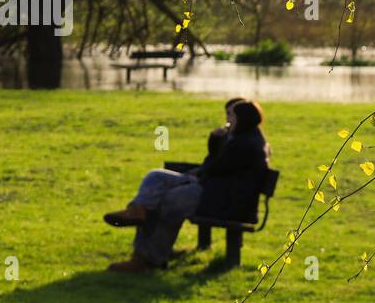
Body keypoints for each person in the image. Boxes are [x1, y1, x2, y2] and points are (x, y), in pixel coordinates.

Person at [104, 100, 271, 272]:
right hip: (214, 190)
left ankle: (147, 260)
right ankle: (138, 212)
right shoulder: (242, 137)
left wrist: (212, 150)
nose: (228, 120)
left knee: (167, 202)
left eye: (232, 116)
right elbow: (214, 166)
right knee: (156, 177)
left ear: (242, 119)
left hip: (224, 200)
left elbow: (215, 168)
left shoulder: (245, 144)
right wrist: (215, 140)